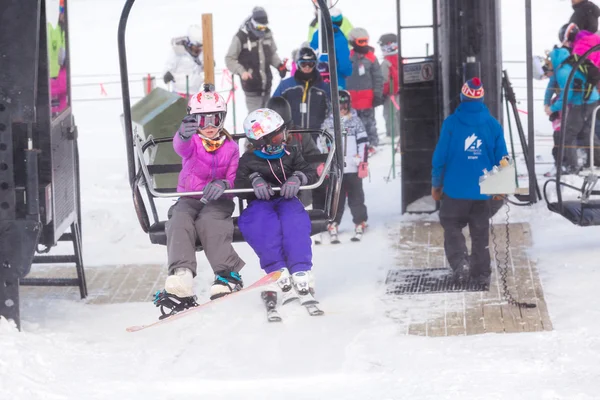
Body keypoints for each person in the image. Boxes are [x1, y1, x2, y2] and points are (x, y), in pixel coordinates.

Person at [163, 84, 245, 302]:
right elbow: (181, 147)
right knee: (179, 218)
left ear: (222, 119)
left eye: (215, 119)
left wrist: (224, 184)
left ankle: (227, 274)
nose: (209, 126)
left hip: (219, 200)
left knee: (210, 221)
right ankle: (182, 274)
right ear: (193, 121)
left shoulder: (230, 147)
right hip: (190, 198)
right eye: (202, 120)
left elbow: (234, 176)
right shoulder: (193, 143)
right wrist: (182, 135)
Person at [431, 77, 509, 285]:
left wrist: (436, 184)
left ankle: (460, 263)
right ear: (482, 98)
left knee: (451, 225)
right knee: (480, 230)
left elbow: (440, 158)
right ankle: (482, 273)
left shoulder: (451, 124)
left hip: (454, 191)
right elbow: (502, 158)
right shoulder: (493, 125)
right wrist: (501, 189)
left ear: (462, 97)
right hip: (483, 192)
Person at [235, 108, 318, 300]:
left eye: (283, 134)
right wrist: (253, 181)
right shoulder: (248, 160)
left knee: (294, 222)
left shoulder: (291, 153)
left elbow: (309, 171)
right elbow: (238, 184)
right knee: (260, 224)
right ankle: (277, 269)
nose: (281, 140)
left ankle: (300, 269)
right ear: (261, 142)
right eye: (275, 138)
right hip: (260, 202)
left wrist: (298, 177)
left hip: (286, 198)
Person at [321, 90, 369, 243]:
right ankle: (333, 222)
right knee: (336, 197)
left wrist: (363, 161)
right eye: (339, 105)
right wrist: (325, 162)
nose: (342, 108)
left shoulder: (355, 121)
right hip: (336, 168)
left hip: (353, 167)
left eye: (345, 105)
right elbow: (321, 143)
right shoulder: (328, 123)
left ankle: (360, 221)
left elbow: (364, 143)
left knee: (356, 196)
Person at [547, 45, 600, 173]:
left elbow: (567, 95)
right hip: (593, 100)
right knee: (588, 131)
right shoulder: (568, 65)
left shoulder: (563, 71)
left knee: (568, 134)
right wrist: (546, 102)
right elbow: (551, 84)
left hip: (582, 103)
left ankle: (572, 166)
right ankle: (597, 161)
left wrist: (552, 108)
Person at [225, 7, 287, 112]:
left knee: (268, 117)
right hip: (251, 86)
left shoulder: (267, 34)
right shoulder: (241, 37)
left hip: (267, 85)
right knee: (256, 120)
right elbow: (229, 59)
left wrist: (279, 65)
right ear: (253, 23)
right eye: (259, 26)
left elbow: (272, 54)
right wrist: (242, 71)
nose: (262, 29)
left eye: (264, 27)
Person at [272, 47, 331, 132]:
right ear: (298, 65)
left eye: (310, 64)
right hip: (291, 134)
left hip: (316, 134)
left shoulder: (323, 88)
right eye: (303, 64)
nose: (307, 67)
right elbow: (274, 107)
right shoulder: (286, 86)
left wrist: (326, 129)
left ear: (315, 65)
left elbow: (331, 111)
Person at [346, 27, 384, 150]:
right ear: (353, 42)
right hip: (352, 99)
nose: (364, 45)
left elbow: (378, 78)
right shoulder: (348, 57)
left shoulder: (371, 58)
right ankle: (355, 146)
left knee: (369, 124)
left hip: (367, 99)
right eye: (360, 42)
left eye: (366, 41)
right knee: (352, 124)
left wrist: (378, 95)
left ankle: (372, 144)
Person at [309, 10, 353, 89]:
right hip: (336, 80)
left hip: (317, 79)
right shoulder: (340, 38)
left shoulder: (317, 35)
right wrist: (347, 72)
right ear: (340, 21)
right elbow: (344, 63)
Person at [163, 25, 205, 97]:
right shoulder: (178, 50)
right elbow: (169, 65)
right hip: (179, 92)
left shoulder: (200, 53)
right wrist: (167, 73)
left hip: (195, 92)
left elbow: (202, 67)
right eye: (197, 46)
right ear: (190, 43)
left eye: (200, 46)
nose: (198, 49)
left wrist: (209, 64)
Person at [379, 33, 400, 139]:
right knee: (398, 113)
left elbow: (384, 80)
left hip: (390, 94)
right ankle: (400, 133)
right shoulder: (400, 59)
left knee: (389, 115)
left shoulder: (386, 63)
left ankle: (392, 135)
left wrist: (382, 93)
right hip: (400, 92)